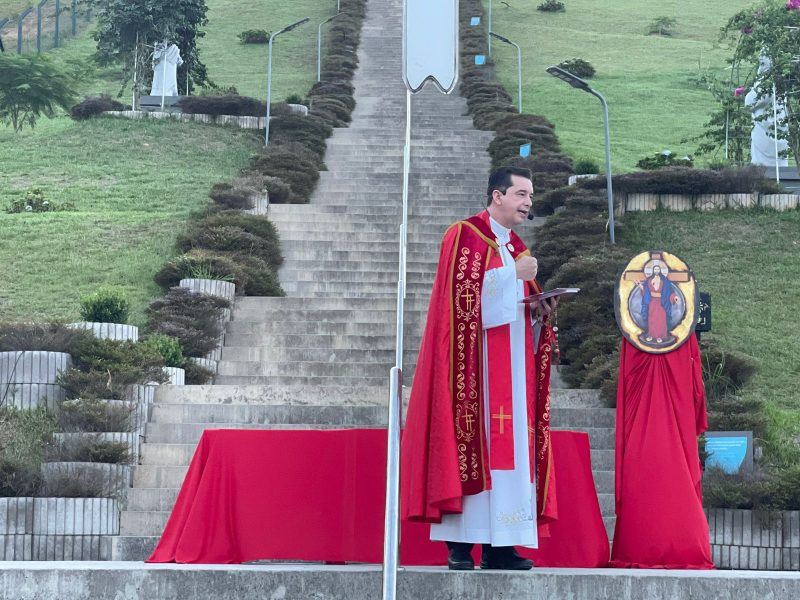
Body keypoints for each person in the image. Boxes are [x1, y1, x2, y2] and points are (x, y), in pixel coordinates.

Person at [401, 166, 558, 571]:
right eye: (521, 194)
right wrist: (513, 275)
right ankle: (459, 547)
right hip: (473, 369)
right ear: (497, 196)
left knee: (510, 451)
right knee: (470, 447)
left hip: (511, 367)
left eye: (531, 196)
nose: (528, 203)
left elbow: (512, 305)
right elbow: (459, 300)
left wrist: (539, 308)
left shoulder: (516, 246)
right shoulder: (464, 235)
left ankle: (501, 546)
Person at [637, 263, 678, 344]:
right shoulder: (649, 280)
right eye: (655, 269)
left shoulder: (664, 281)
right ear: (653, 270)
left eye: (658, 269)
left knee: (661, 319)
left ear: (660, 270)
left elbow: (670, 291)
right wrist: (640, 287)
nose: (656, 270)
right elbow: (646, 292)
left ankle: (661, 336)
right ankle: (651, 335)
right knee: (652, 318)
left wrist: (674, 297)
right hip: (652, 302)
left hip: (661, 302)